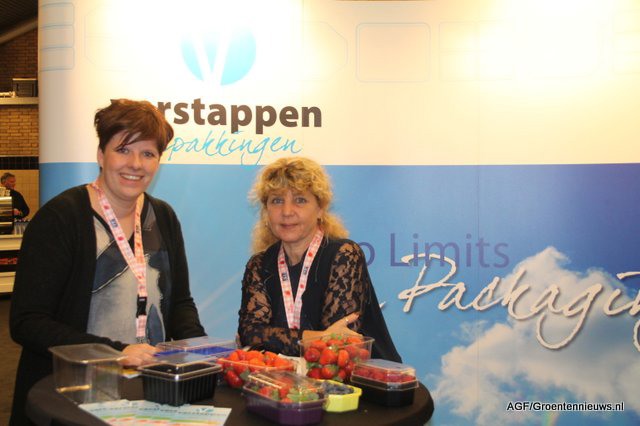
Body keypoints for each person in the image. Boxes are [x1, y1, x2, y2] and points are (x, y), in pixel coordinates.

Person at [9, 99, 206, 425]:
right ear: (101, 155)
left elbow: (180, 303)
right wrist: (116, 351)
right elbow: (28, 322)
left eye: (148, 153)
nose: (136, 164)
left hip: (148, 394)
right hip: (72, 397)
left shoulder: (163, 217)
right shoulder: (61, 218)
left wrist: (200, 352)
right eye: (123, 150)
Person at [238, 156, 401, 362]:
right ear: (266, 211)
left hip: (362, 377)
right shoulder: (260, 265)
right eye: (277, 200)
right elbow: (250, 333)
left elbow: (339, 346)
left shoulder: (344, 255)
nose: (287, 212)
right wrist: (318, 338)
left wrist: (274, 337)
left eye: (300, 200)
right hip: (290, 379)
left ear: (320, 208)